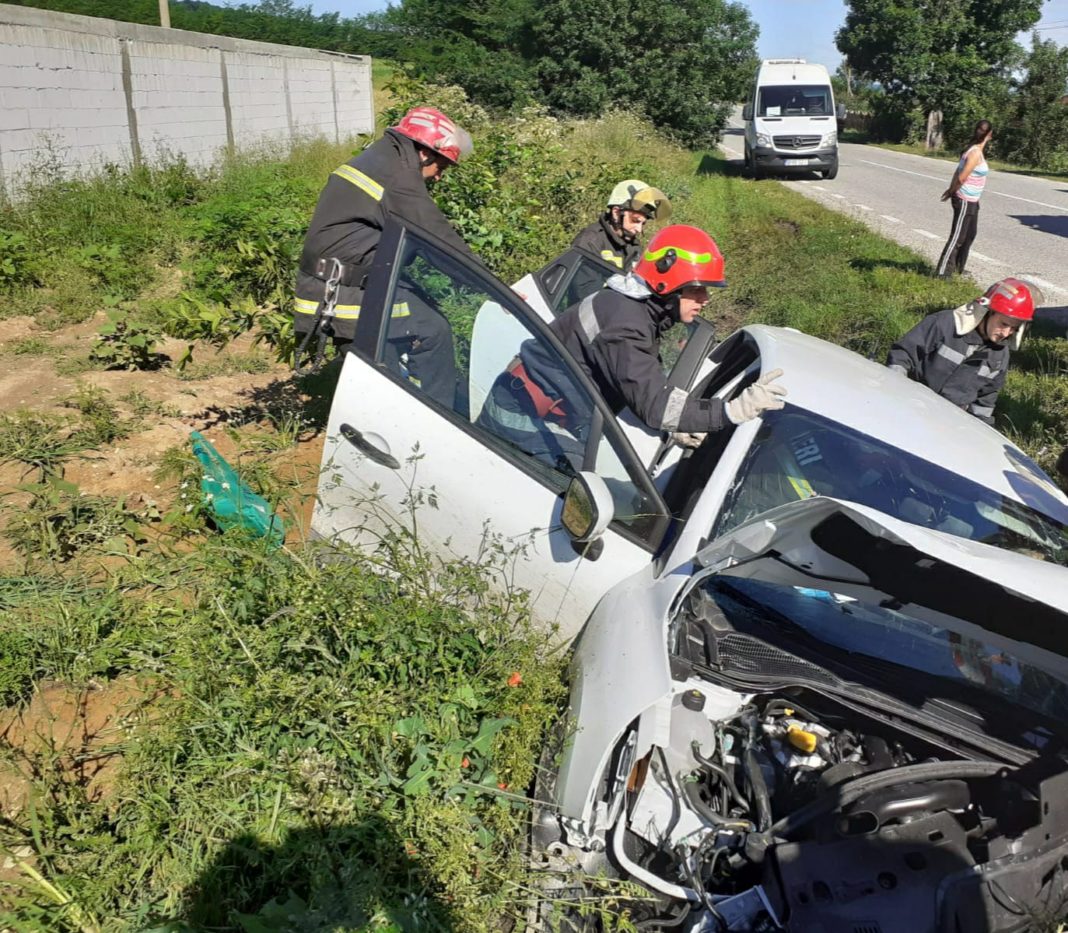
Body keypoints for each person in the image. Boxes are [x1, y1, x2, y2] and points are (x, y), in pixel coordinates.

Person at [478, 224, 787, 470]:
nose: (705, 300)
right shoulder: (626, 323)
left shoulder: (630, 308)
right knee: (585, 494)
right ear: (670, 284)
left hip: (541, 408)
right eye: (697, 289)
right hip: (518, 413)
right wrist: (729, 411)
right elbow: (655, 405)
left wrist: (678, 424)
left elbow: (636, 385)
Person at [294, 106, 479, 404]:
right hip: (346, 291)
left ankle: (402, 410)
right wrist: (489, 285)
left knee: (388, 363)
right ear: (425, 153)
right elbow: (437, 240)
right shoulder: (398, 175)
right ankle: (436, 418)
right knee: (431, 333)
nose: (439, 177)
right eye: (441, 167)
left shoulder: (382, 158)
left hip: (339, 282)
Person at [887, 277, 1038, 424]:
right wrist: (894, 392)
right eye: (1003, 324)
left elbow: (985, 401)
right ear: (987, 312)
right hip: (910, 406)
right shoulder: (945, 324)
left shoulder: (1000, 355)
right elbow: (902, 356)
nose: (1006, 333)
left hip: (948, 425)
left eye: (1014, 328)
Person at [571, 179, 671, 273]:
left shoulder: (634, 247)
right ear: (616, 213)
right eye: (635, 220)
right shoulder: (590, 241)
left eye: (643, 223)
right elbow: (583, 283)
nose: (639, 229)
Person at [934, 119, 993, 278]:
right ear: (990, 134)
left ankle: (958, 268)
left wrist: (950, 190)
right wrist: (952, 191)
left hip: (973, 200)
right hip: (965, 199)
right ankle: (942, 273)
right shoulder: (975, 153)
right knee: (957, 238)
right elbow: (961, 177)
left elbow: (957, 171)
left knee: (970, 234)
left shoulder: (975, 150)